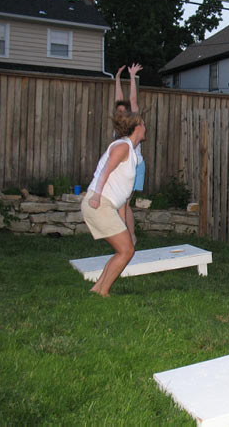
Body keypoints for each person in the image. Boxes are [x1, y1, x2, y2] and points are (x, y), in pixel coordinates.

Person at [82, 111, 146, 297]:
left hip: (107, 204)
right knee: (126, 251)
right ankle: (103, 292)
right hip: (99, 203)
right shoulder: (123, 147)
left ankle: (97, 289)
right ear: (136, 127)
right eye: (143, 124)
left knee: (123, 250)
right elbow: (105, 171)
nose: (145, 127)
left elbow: (123, 197)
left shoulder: (131, 153)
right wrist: (96, 196)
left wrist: (124, 226)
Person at [114, 63, 144, 245]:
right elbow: (119, 99)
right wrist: (117, 78)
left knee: (123, 204)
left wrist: (132, 77)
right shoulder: (118, 126)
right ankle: (130, 237)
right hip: (122, 166)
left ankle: (129, 238)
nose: (120, 112)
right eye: (118, 111)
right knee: (122, 204)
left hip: (135, 165)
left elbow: (132, 100)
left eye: (122, 111)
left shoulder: (132, 123)